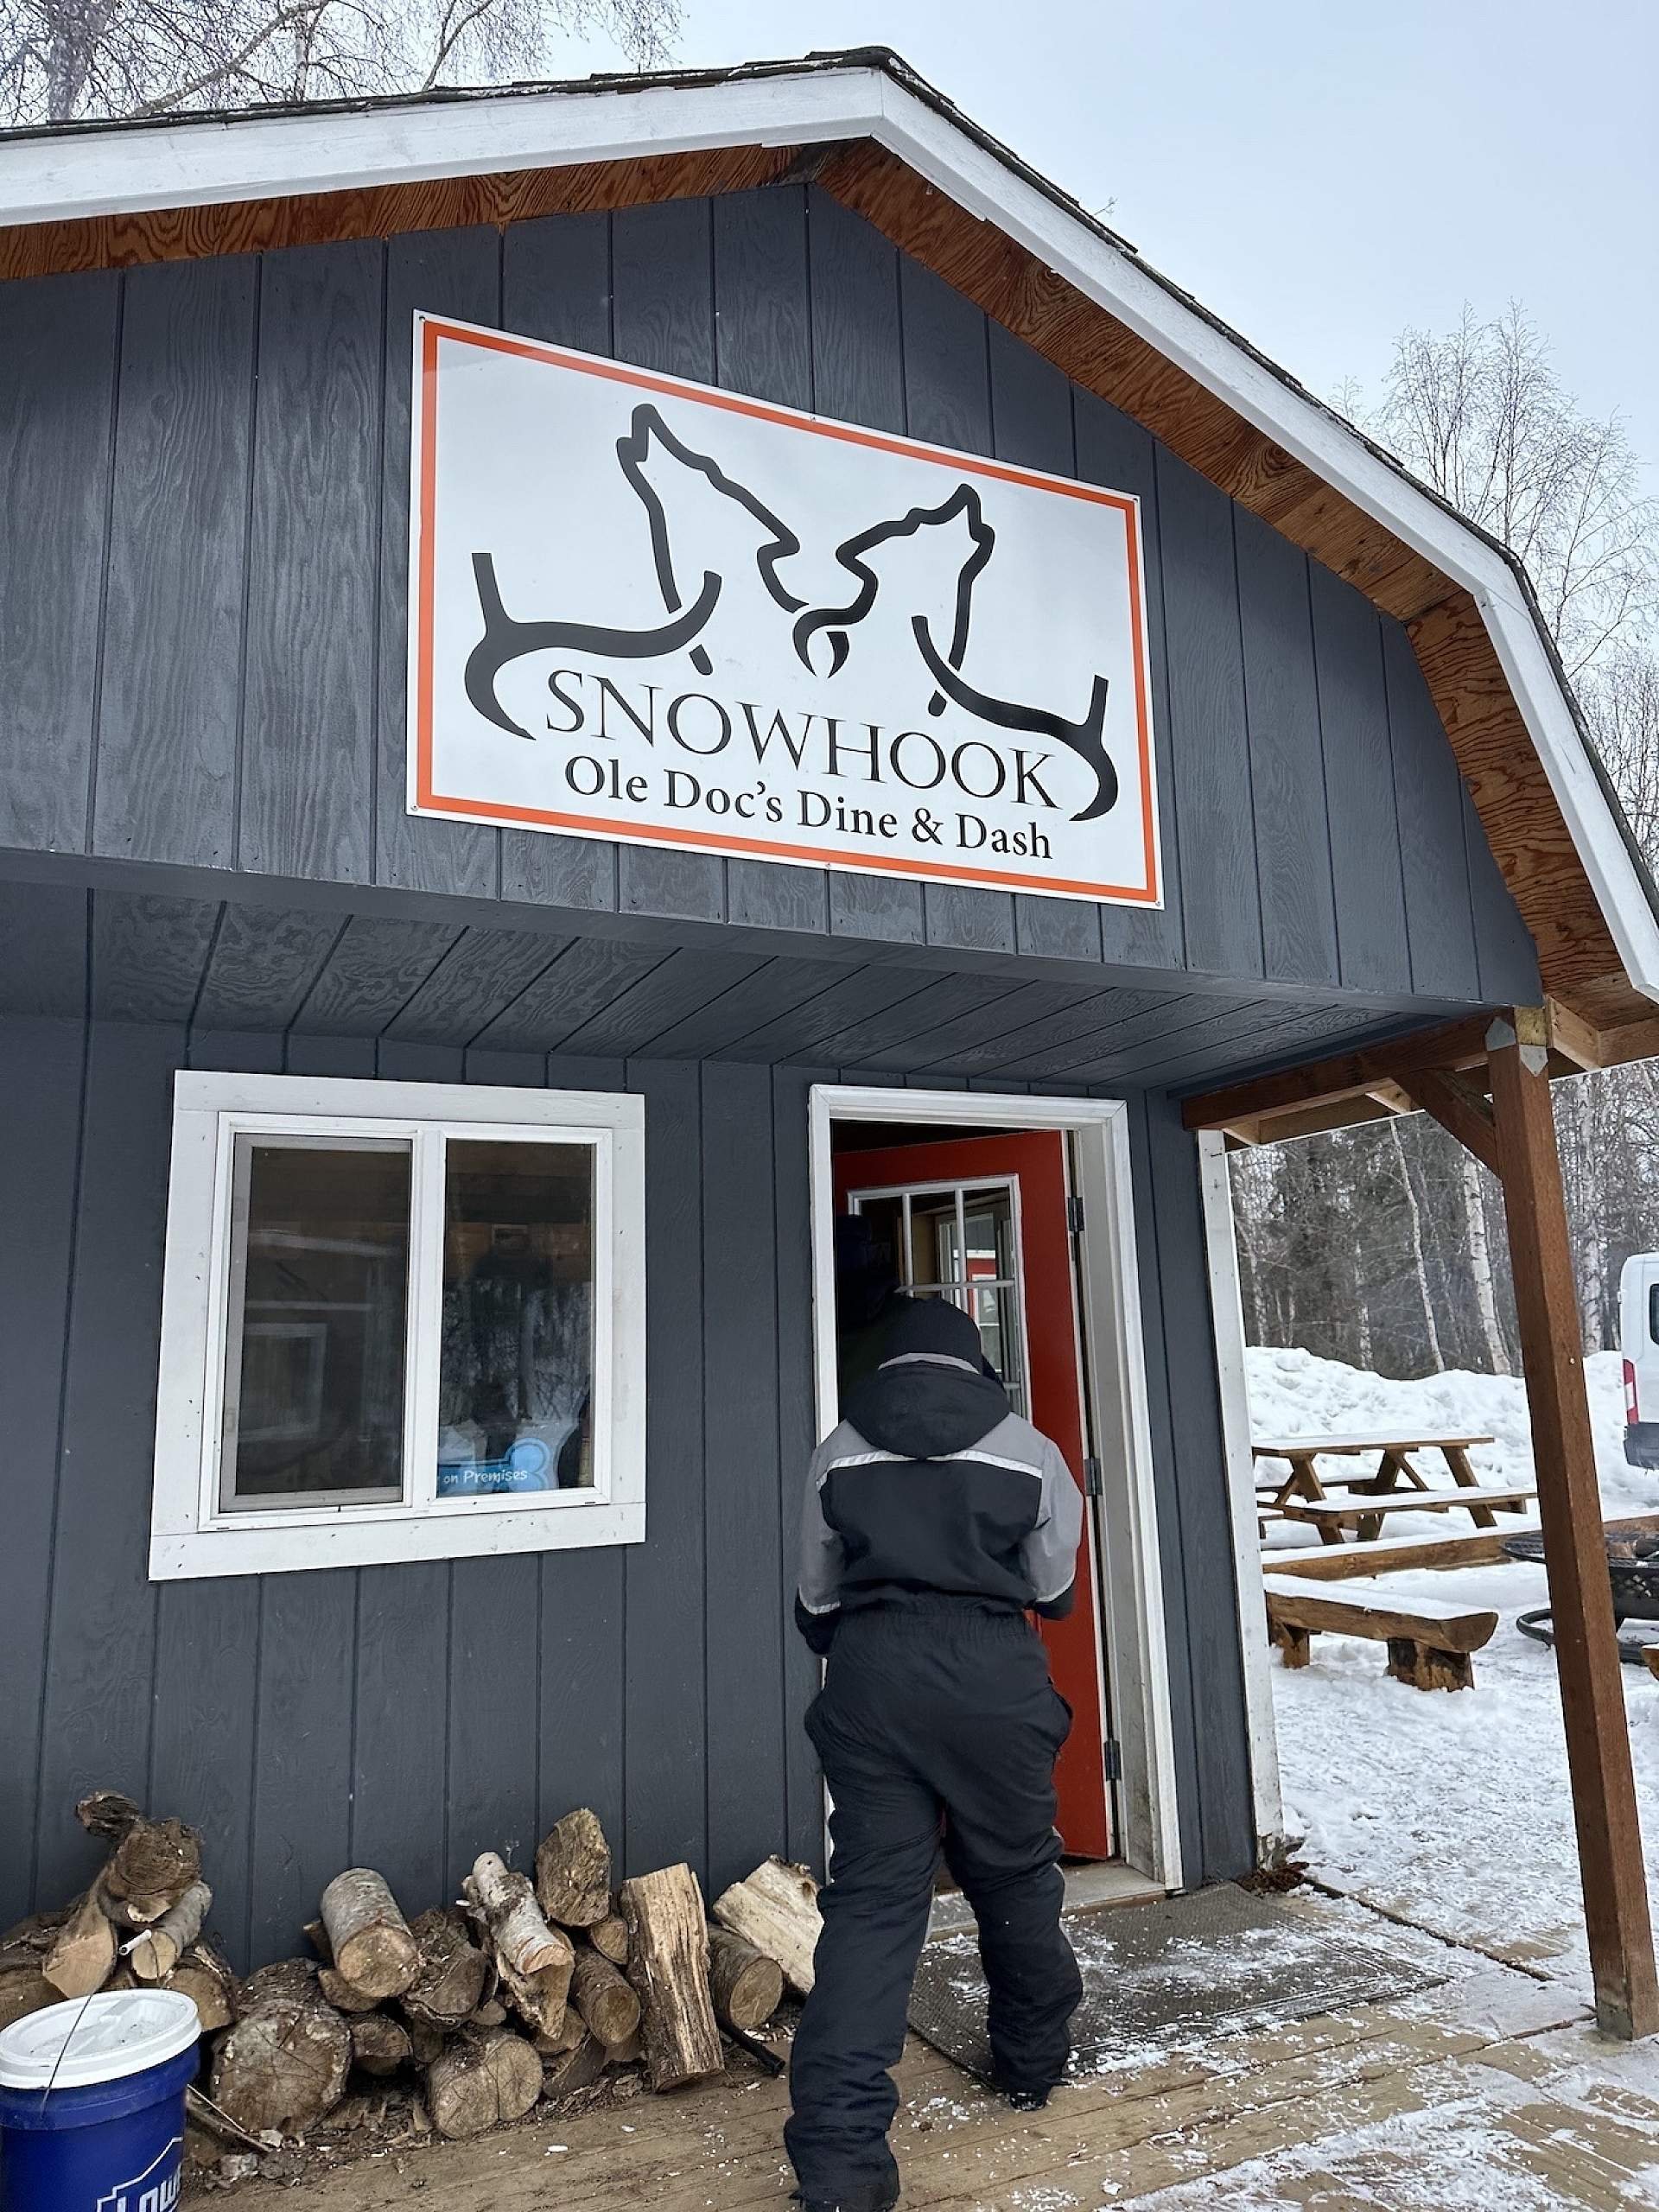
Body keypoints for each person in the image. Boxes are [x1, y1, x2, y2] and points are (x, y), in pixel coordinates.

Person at [785, 1293, 1086, 2212]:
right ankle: (1031, 2063)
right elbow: (1056, 1586)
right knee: (1015, 1873)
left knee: (872, 1908)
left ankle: (840, 2166)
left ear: (890, 1370)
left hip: (872, 1680)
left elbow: (815, 1597)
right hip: (993, 1679)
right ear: (975, 1366)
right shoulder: (1031, 1452)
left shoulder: (839, 1448)